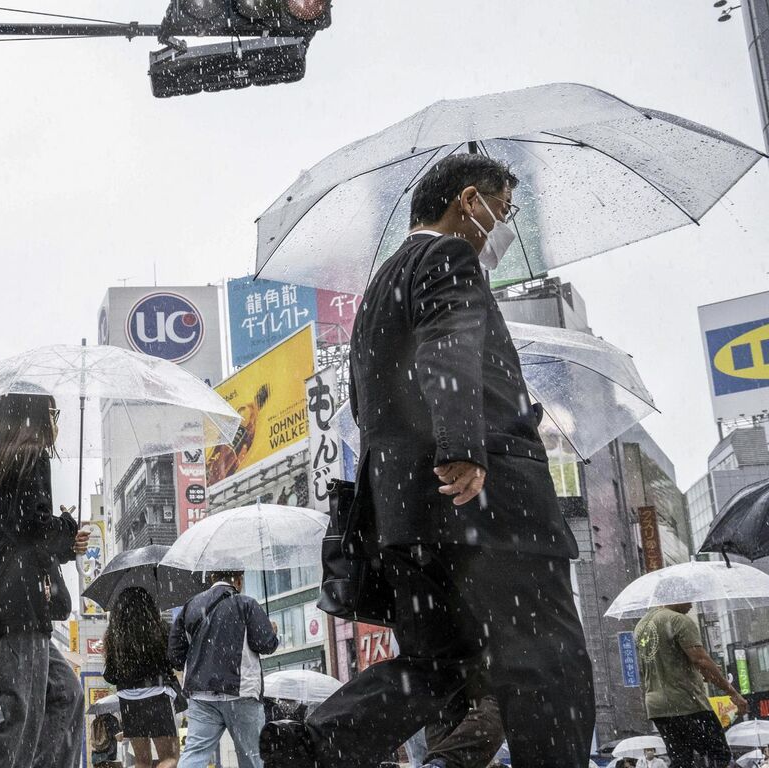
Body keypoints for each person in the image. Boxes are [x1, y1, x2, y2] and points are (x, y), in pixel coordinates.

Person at [262, 153, 595, 768]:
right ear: (470, 201)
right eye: (505, 208)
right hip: (487, 511)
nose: (506, 225)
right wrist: (464, 448)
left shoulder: (379, 289)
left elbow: (368, 404)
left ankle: (313, 741)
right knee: (548, 664)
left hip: (408, 520)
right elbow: (449, 345)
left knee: (435, 662)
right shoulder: (449, 257)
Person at [0, 393, 87, 768]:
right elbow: (31, 526)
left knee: (65, 694)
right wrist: (66, 527)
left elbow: (20, 535)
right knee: (23, 714)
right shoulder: (31, 456)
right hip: (18, 604)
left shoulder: (3, 464)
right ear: (34, 416)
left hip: (9, 601)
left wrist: (64, 543)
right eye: (53, 413)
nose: (56, 421)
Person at [168, 571, 278, 768]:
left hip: (201, 694)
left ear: (212, 578)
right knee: (252, 756)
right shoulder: (247, 604)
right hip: (241, 691)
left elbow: (175, 656)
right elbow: (266, 644)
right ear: (237, 580)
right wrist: (273, 632)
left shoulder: (191, 605)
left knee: (195, 753)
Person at [636, 602, 746, 768]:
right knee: (719, 754)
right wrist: (733, 693)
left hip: (657, 706)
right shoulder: (678, 620)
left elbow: (663, 665)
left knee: (681, 760)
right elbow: (700, 659)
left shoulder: (642, 625)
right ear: (675, 597)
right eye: (688, 599)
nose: (691, 605)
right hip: (687, 702)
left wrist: (698, 671)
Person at [102, 587, 179, 768]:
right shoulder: (161, 629)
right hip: (158, 694)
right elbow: (174, 662)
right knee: (169, 758)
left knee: (141, 761)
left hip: (129, 701)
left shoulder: (114, 636)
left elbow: (111, 676)